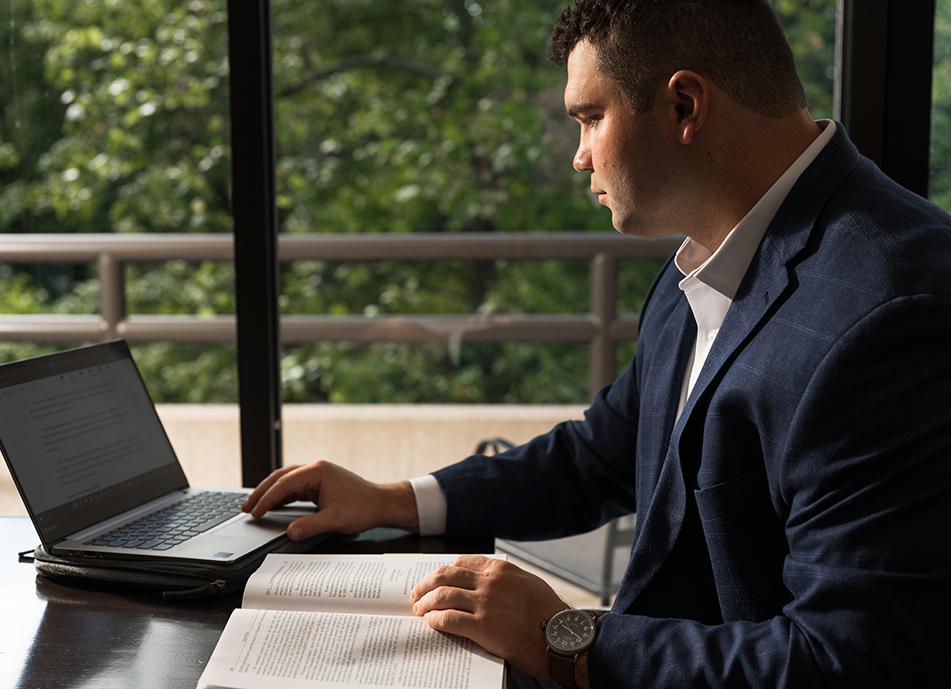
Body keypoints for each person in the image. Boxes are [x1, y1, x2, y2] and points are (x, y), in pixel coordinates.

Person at [243, 0, 951, 686]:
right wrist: (393, 499)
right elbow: (602, 454)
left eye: (589, 119)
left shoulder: (892, 311)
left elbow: (854, 662)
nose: (580, 159)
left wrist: (564, 638)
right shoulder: (707, 260)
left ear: (683, 106)